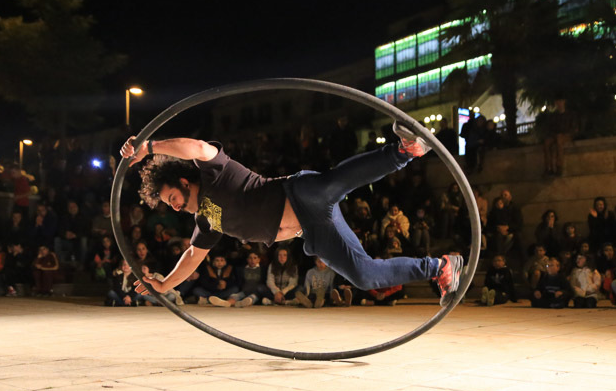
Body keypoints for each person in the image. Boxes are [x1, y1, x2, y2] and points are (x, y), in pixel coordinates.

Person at [119, 123, 464, 306]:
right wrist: (163, 284)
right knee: (364, 275)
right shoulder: (206, 221)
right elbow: (193, 256)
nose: (174, 206)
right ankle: (441, 267)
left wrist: (149, 147)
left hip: (299, 194)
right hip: (312, 230)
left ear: (183, 182)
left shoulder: (215, 173)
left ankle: (404, 150)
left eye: (173, 198)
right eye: (168, 205)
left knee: (336, 181)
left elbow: (195, 147)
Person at [542, 97, 578, 177]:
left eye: (560, 102)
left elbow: (574, 128)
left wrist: (566, 134)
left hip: (566, 135)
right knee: (547, 143)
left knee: (559, 140)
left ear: (564, 102)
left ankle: (559, 166)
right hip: (556, 135)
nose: (559, 104)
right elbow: (551, 128)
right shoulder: (554, 116)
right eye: (557, 102)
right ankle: (548, 167)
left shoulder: (570, 114)